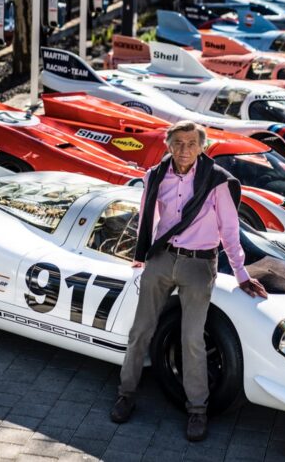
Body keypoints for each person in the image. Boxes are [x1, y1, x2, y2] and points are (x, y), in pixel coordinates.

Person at [110, 120, 267, 441]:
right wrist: (143, 257)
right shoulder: (154, 176)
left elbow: (230, 231)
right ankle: (126, 394)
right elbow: (147, 218)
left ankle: (197, 410)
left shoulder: (217, 182)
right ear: (168, 144)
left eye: (191, 144)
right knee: (140, 331)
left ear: (202, 147)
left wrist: (241, 274)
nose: (184, 150)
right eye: (178, 143)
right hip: (162, 259)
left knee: (192, 338)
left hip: (199, 264)